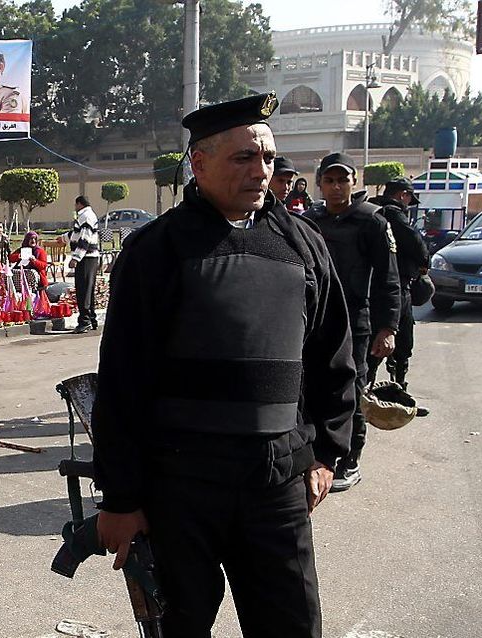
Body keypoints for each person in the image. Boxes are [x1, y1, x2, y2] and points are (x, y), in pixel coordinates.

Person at [91, 93, 356, 638]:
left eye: (268, 159)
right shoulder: (156, 251)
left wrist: (328, 451)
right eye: (243, 158)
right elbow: (121, 383)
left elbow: (333, 356)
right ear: (200, 163)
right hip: (181, 486)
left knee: (293, 625)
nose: (261, 172)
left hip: (277, 481)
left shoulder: (302, 244)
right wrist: (121, 499)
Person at [307, 152, 401, 493]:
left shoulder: (372, 221)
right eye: (329, 180)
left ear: (353, 182)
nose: (335, 187)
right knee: (312, 388)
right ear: (320, 183)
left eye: (342, 180)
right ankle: (316, 456)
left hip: (355, 324)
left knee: (352, 391)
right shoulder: (309, 220)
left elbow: (388, 280)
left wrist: (387, 328)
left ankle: (349, 461)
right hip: (314, 321)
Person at [367, 177, 430, 391]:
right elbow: (417, 245)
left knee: (377, 347)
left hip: (374, 287)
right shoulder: (393, 213)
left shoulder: (371, 210)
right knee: (398, 343)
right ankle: (395, 391)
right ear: (403, 194)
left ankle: (376, 392)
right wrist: (423, 265)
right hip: (397, 287)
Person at [59, 196, 101, 333]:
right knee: (88, 290)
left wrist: (75, 258)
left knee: (83, 290)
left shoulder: (86, 216)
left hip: (86, 258)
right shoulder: (85, 216)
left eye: (75, 204)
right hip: (89, 258)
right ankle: (91, 318)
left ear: (79, 204)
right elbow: (76, 233)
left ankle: (85, 321)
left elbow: (85, 238)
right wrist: (64, 238)